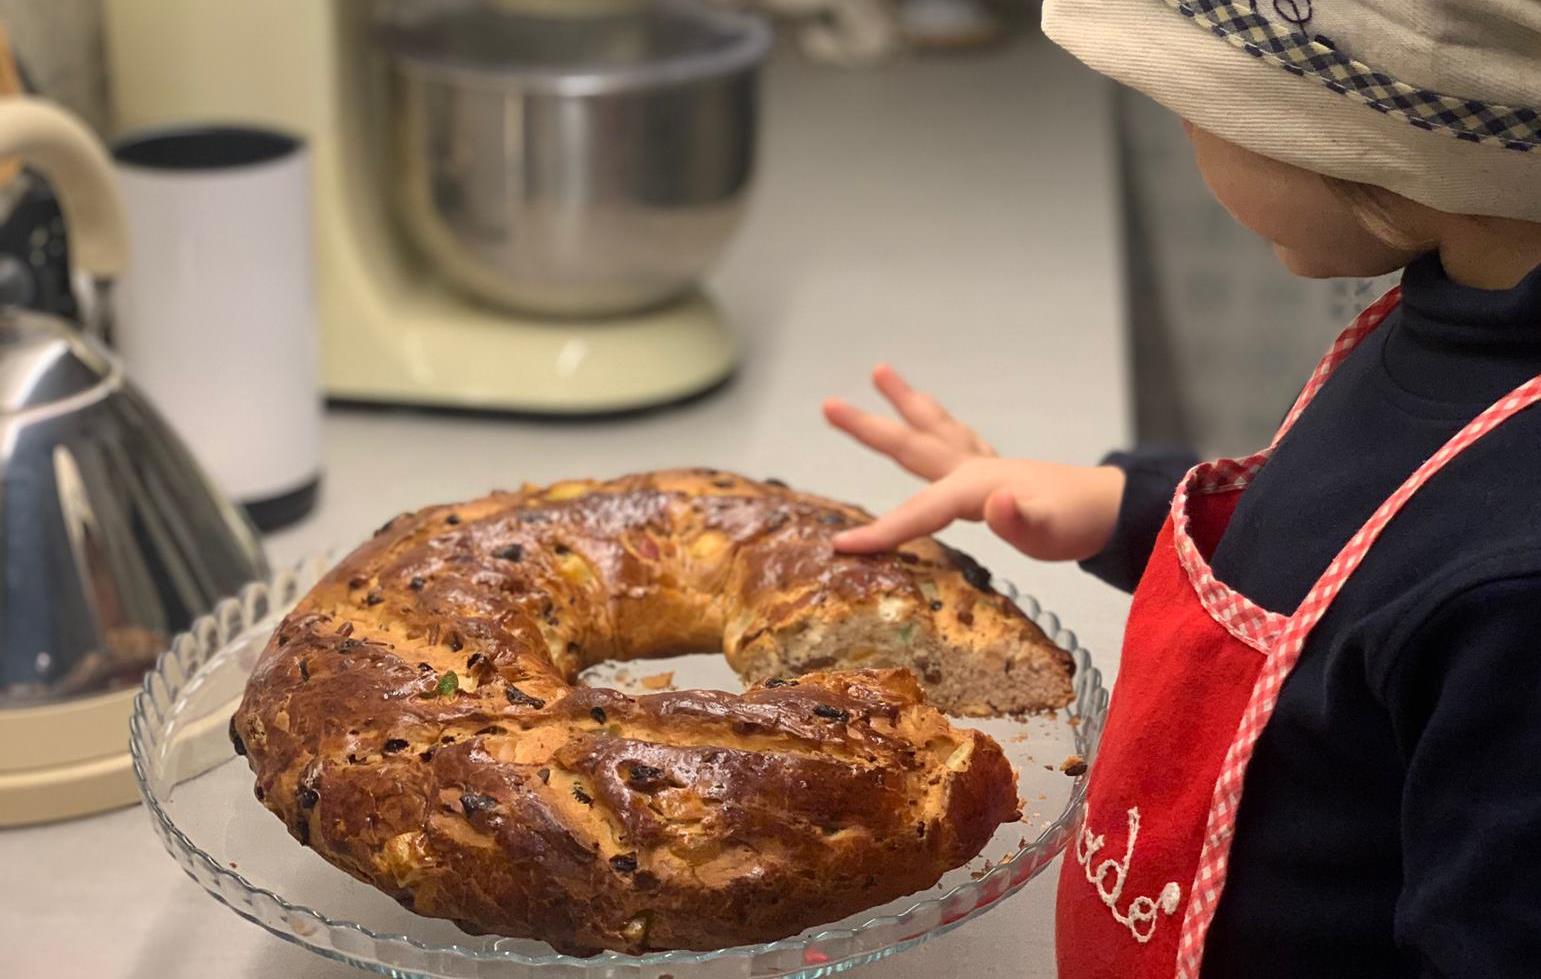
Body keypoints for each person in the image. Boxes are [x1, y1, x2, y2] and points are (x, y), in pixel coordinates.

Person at [824, 1, 1541, 975]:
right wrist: (1117, 508)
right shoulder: (1459, 314)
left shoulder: (1516, 593)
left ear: (1366, 135)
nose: (1185, 131)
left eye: (1194, 105)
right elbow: (1349, 561)